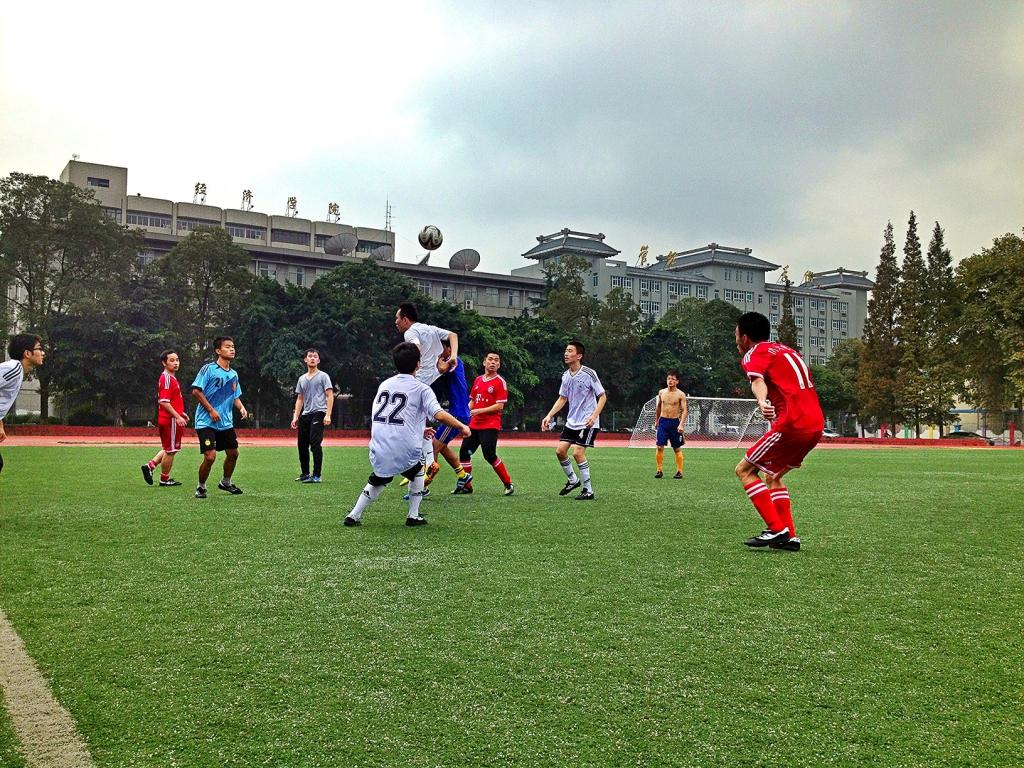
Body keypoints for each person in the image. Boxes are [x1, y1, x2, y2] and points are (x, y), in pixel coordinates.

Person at [343, 342, 470, 528]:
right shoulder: (421, 388)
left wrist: (420, 429)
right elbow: (438, 414)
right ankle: (413, 515)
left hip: (379, 447)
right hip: (404, 448)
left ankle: (354, 515)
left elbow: (389, 416)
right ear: (418, 364)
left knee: (379, 479)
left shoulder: (385, 385)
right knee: (417, 471)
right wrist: (462, 426)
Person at [734, 312, 824, 552]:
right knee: (773, 476)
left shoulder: (754, 353)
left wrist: (762, 401)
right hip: (815, 424)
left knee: (744, 470)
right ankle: (789, 537)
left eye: (736, 334)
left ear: (744, 336)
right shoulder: (787, 350)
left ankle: (776, 529)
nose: (736, 340)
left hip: (791, 423)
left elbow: (757, 380)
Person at [394, 302, 472, 494]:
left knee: (432, 449)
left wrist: (415, 365)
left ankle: (422, 487)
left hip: (457, 415)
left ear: (405, 319)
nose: (395, 322)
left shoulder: (449, 362)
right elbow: (453, 335)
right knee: (437, 444)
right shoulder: (433, 334)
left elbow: (419, 350)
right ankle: (463, 476)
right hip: (458, 412)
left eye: (397, 318)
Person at [541, 341, 607, 500]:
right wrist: (549, 415)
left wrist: (594, 416)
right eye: (566, 350)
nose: (566, 353)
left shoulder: (589, 373)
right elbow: (562, 399)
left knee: (577, 453)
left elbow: (603, 396)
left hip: (587, 423)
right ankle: (573, 480)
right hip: (572, 422)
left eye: (570, 351)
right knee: (560, 451)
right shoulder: (565, 376)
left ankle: (588, 491)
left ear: (579, 356)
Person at [191, 336, 249, 499]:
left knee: (233, 454)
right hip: (206, 422)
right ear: (218, 350)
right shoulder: (208, 369)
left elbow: (235, 396)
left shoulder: (234, 374)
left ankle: (226, 482)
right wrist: (211, 410)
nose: (232, 349)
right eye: (227, 347)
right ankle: (201, 487)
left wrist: (241, 407)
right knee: (210, 457)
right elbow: (196, 391)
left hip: (225, 423)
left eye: (233, 346)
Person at [458, 350, 514, 496]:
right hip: (474, 425)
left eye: (496, 360)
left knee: (489, 455)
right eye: (490, 359)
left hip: (490, 425)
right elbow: (472, 401)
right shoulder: (478, 380)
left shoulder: (500, 382)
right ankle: (467, 486)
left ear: (499, 365)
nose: (493, 362)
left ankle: (508, 484)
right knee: (464, 452)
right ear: (484, 362)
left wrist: (479, 411)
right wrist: (463, 414)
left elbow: (499, 406)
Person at [141, 350, 189, 487]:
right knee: (171, 450)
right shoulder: (167, 378)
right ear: (164, 363)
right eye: (172, 360)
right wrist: (177, 416)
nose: (176, 363)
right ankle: (164, 479)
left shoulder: (170, 378)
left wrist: (181, 413)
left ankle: (150, 466)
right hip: (170, 420)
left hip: (170, 418)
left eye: (177, 360)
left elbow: (171, 401)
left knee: (168, 448)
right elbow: (164, 401)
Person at [0, 333, 45, 475]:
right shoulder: (13, 369)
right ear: (27, 353)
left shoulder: (17, 371)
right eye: (39, 348)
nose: (43, 353)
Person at [291, 348, 334, 484]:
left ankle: (317, 475)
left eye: (315, 356)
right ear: (305, 360)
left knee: (315, 443)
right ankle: (305, 473)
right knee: (302, 444)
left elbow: (330, 395)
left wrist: (328, 415)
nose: (312, 358)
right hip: (305, 414)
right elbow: (300, 398)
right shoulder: (302, 379)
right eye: (310, 356)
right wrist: (295, 416)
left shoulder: (323, 376)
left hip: (319, 412)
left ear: (318, 360)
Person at [653, 370, 687, 479]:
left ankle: (679, 471)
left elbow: (685, 410)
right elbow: (659, 407)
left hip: (674, 423)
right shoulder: (661, 392)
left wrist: (681, 424)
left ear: (677, 381)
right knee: (659, 447)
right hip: (663, 422)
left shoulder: (680, 394)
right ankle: (659, 470)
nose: (670, 381)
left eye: (673, 379)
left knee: (676, 448)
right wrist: (657, 420)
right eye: (668, 378)